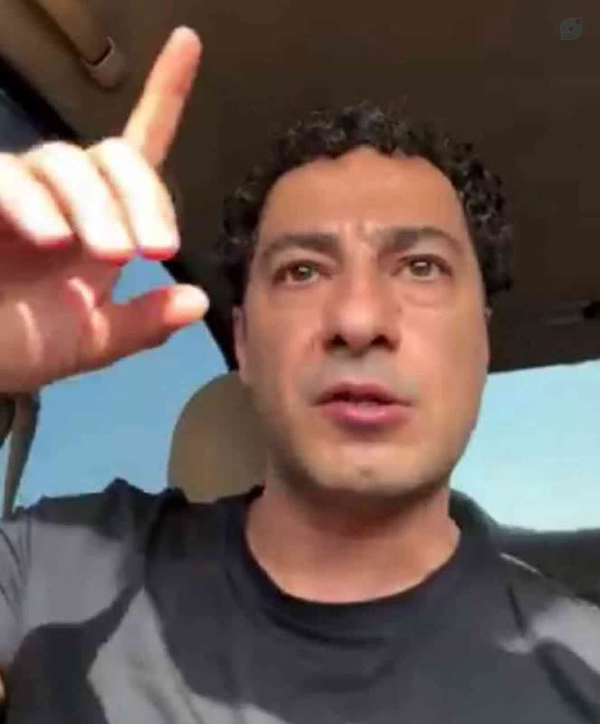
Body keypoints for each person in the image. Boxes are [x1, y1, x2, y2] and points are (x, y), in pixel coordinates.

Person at [0, 25, 599, 723]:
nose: (358, 320)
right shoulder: (54, 575)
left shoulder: (585, 673)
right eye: (302, 271)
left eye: (421, 267)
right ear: (245, 342)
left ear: (482, 339)